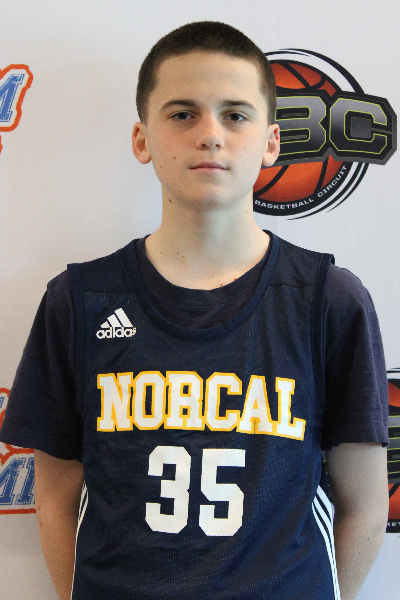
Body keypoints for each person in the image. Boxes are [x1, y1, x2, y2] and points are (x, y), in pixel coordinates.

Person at [0, 21, 389, 600]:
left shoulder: (329, 301)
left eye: (235, 115)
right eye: (182, 114)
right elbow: (55, 499)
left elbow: (365, 505)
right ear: (142, 140)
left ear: (272, 142)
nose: (210, 134)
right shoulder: (79, 301)